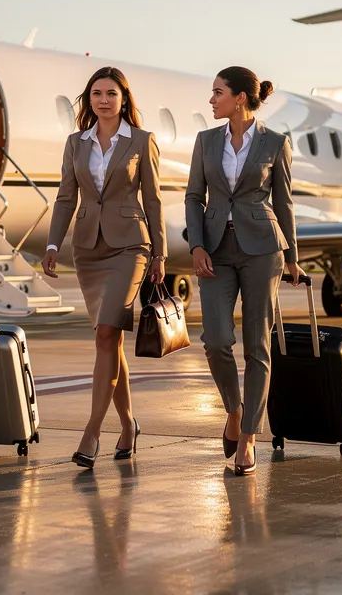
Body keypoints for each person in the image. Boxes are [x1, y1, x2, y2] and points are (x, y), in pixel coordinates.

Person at [43, 66, 165, 470]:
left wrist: (160, 254)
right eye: (96, 93)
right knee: (109, 340)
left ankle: (92, 431)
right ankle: (128, 425)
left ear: (123, 99)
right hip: (88, 250)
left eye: (111, 93)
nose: (103, 100)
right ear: (89, 99)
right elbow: (66, 197)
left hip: (130, 246)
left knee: (106, 333)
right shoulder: (76, 142)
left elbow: (153, 199)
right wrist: (53, 243)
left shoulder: (141, 140)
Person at [185, 66, 300, 476]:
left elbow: (283, 202)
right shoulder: (206, 141)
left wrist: (292, 257)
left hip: (262, 250)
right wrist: (196, 245)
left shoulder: (276, 142)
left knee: (257, 347)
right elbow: (194, 196)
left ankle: (249, 436)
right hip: (215, 249)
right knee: (216, 341)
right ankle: (234, 411)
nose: (211, 100)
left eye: (218, 92)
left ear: (239, 99)